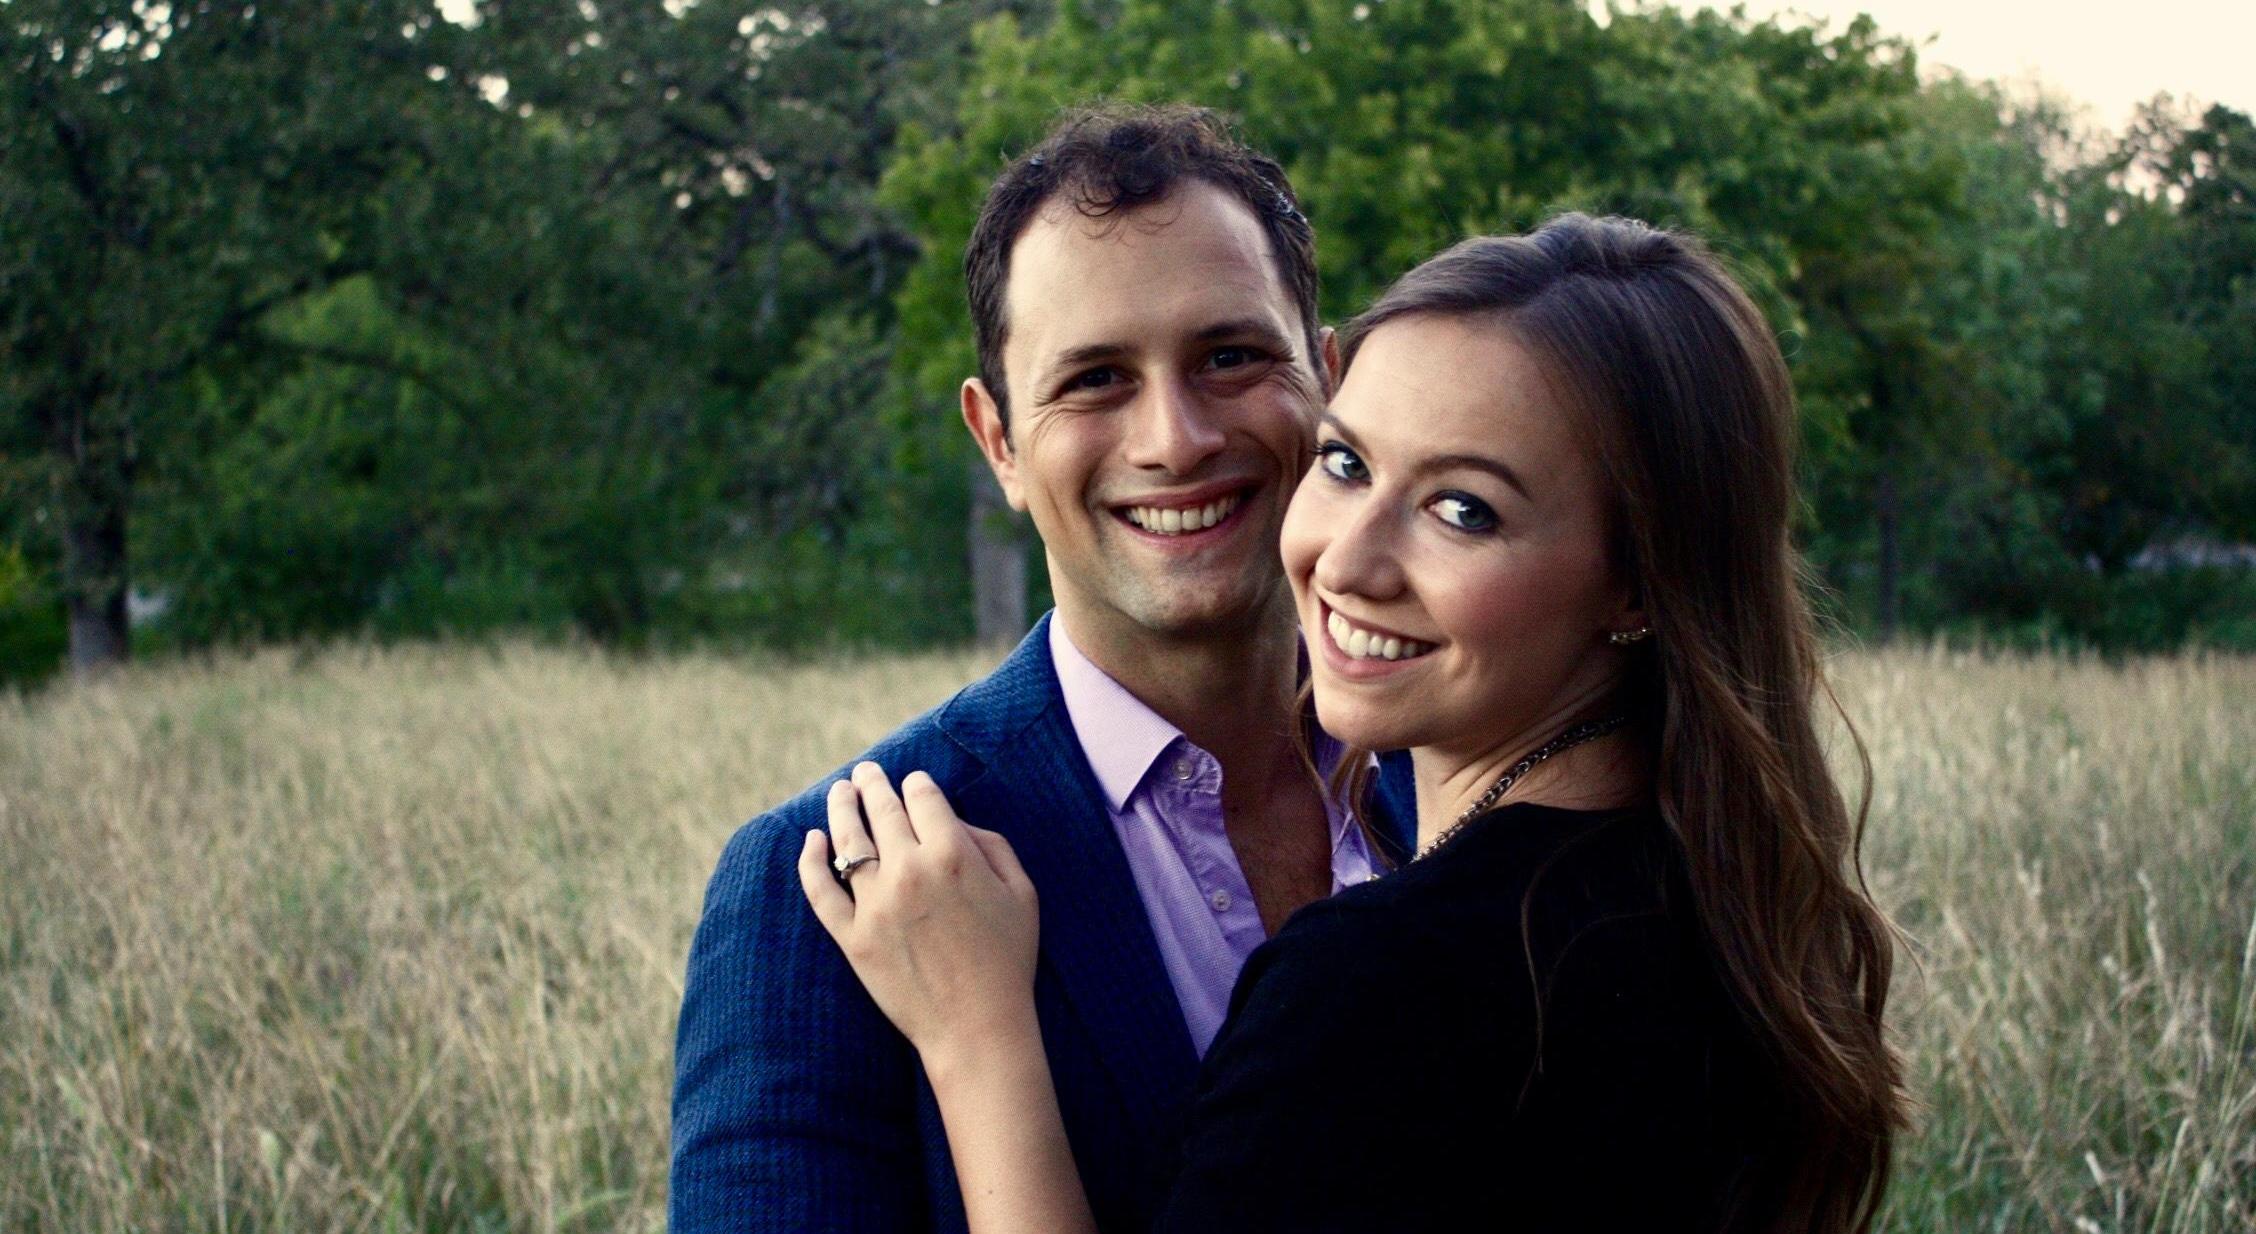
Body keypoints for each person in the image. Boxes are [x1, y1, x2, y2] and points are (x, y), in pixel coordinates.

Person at [800, 213, 1912, 1233]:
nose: (1347, 558)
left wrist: (982, 1045)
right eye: (1346, 463)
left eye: (1463, 510)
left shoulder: (1383, 986)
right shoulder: (1740, 902)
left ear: (1638, 580)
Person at [668, 105, 1417, 1233]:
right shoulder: (825, 883)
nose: (1175, 438)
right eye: (1096, 378)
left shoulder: (1477, 762)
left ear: (1327, 380)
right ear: (1001, 444)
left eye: (1229, 356)